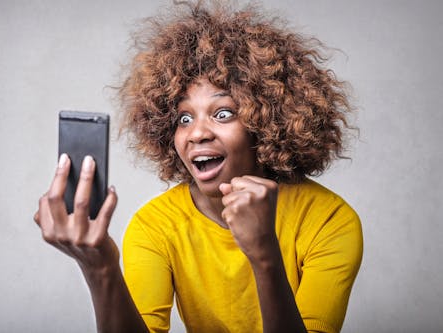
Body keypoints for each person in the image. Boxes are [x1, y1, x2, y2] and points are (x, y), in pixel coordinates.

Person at [34, 1, 363, 332]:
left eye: (223, 113)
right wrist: (101, 269)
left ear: (266, 123)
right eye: (184, 118)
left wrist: (264, 254)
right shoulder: (156, 226)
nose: (197, 133)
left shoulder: (329, 221)